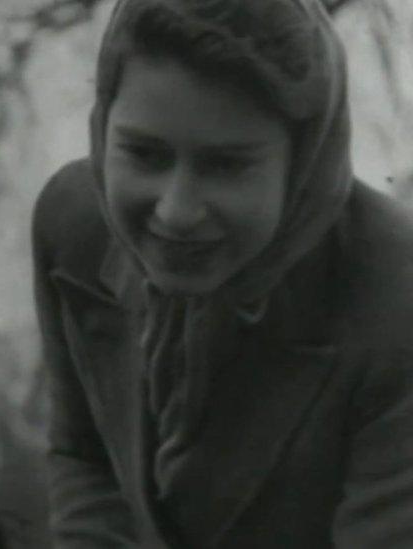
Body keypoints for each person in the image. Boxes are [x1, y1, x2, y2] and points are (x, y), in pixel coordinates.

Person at [31, 0, 413, 547]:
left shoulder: (396, 293)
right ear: (103, 125)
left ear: (303, 163)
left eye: (227, 165)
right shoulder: (72, 227)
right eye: (144, 154)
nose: (176, 212)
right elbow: (86, 458)